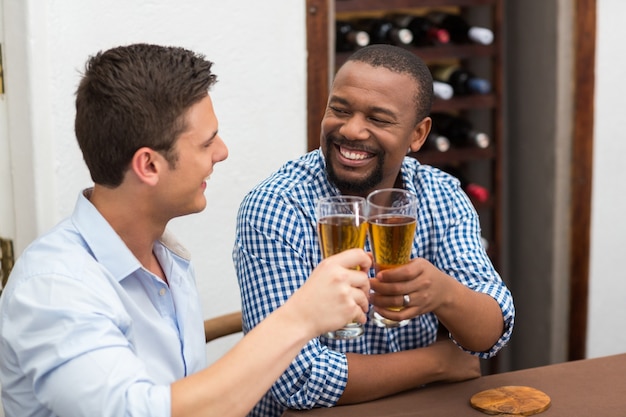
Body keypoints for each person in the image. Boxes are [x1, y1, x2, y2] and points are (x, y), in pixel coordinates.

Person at [0, 43, 372, 417]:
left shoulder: (164, 256)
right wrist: (299, 318)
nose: (222, 151)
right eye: (207, 142)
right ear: (148, 165)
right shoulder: (53, 288)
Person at [233, 44, 515, 417]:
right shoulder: (276, 206)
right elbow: (295, 380)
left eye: (379, 119)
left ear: (417, 134)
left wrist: (445, 293)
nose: (350, 130)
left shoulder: (441, 193)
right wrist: (440, 363)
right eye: (339, 109)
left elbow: (492, 333)